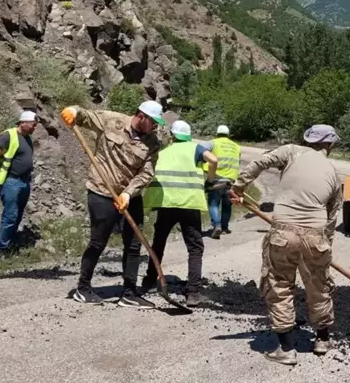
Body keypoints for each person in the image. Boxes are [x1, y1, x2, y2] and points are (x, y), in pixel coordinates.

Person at [229, 125, 342, 366]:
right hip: (316, 236)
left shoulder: (292, 152)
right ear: (329, 145)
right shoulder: (333, 172)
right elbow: (332, 216)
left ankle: (286, 349)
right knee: (319, 286)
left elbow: (260, 162)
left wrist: (239, 186)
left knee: (279, 285)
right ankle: (322, 340)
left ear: (308, 140)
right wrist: (325, 247)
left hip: (283, 233)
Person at [60, 100, 164, 308]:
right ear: (141, 116)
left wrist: (128, 193)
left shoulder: (153, 143)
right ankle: (83, 288)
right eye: (153, 122)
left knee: (134, 245)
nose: (156, 127)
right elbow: (86, 116)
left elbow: (146, 173)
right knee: (98, 242)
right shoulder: (113, 121)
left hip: (129, 197)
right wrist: (73, 112)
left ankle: (129, 292)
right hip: (101, 191)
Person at [141, 120, 218, 306]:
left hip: (167, 203)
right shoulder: (195, 149)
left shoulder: (164, 152)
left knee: (158, 244)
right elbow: (214, 160)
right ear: (188, 135)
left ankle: (150, 281)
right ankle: (193, 293)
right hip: (189, 203)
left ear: (172, 135)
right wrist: (210, 179)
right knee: (195, 248)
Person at [0, 110, 38, 257]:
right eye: (33, 125)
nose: (35, 128)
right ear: (23, 123)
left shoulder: (27, 138)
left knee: (19, 214)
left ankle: (11, 243)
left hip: (24, 182)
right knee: (10, 215)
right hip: (10, 182)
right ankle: (3, 249)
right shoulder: (8, 135)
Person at [204, 124, 241, 239]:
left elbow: (201, 151)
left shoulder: (213, 143)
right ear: (228, 134)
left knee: (213, 204)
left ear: (217, 134)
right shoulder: (236, 146)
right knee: (227, 205)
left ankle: (216, 225)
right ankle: (225, 227)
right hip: (231, 181)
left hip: (217, 179)